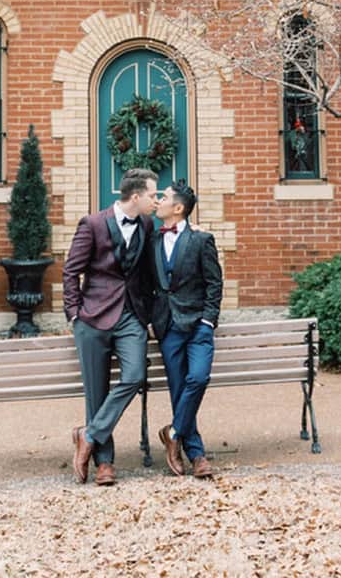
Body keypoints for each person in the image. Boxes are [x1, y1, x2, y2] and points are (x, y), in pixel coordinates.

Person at [62, 167, 158, 485]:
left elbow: (147, 270)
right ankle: (105, 463)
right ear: (135, 196)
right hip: (92, 317)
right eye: (152, 195)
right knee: (96, 391)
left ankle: (88, 434)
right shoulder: (92, 224)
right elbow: (70, 270)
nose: (155, 201)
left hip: (131, 315)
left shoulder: (146, 223)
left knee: (135, 376)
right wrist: (74, 313)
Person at [147, 179, 223, 478]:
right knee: (179, 388)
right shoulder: (152, 239)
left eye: (163, 198)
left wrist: (207, 321)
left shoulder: (201, 241)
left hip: (198, 327)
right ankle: (197, 455)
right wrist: (151, 320)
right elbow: (144, 286)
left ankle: (174, 431)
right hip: (167, 326)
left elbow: (215, 284)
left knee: (199, 377)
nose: (159, 201)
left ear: (177, 208)